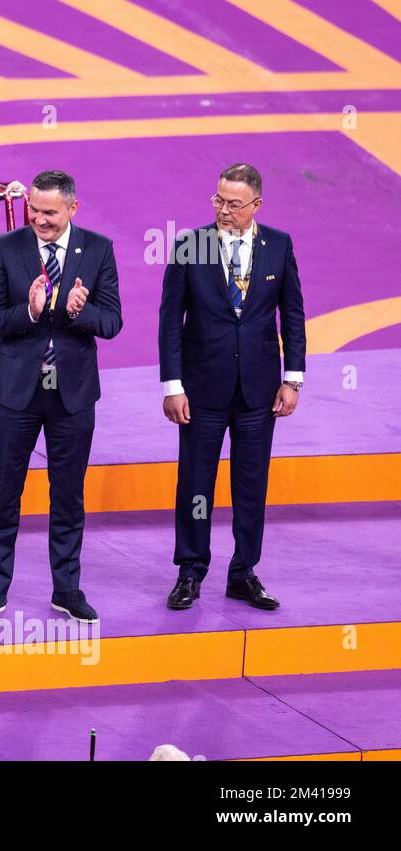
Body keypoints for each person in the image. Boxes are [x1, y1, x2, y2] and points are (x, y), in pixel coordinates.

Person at [0, 170, 122, 625]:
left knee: (68, 495)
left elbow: (112, 322)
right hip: (16, 392)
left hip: (73, 394)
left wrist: (81, 312)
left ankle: (67, 589)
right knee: (4, 493)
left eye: (50, 212)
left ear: (72, 209)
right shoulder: (5, 248)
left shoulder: (98, 250)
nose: (39, 219)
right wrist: (31, 311)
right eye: (34, 210)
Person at [160, 163, 305, 612]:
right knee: (196, 486)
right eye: (218, 200)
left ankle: (243, 572)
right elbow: (170, 322)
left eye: (233, 203)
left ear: (256, 205)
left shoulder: (278, 246)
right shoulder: (191, 245)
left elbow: (293, 315)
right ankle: (190, 571)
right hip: (201, 391)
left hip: (259, 393)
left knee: (251, 485)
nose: (223, 210)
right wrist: (172, 385)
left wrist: (293, 379)